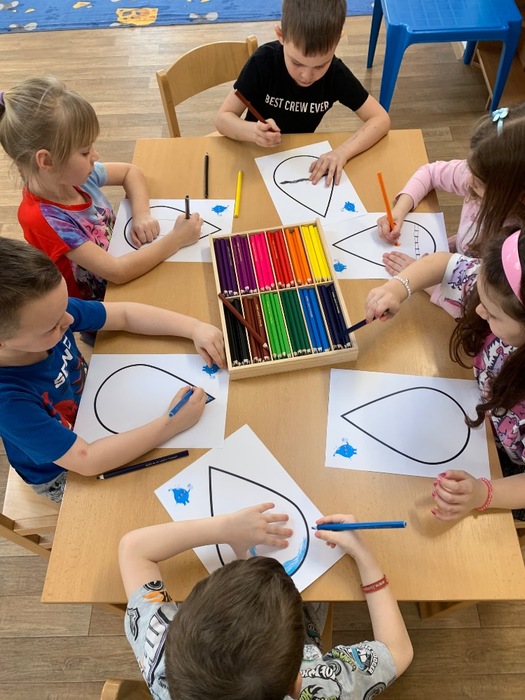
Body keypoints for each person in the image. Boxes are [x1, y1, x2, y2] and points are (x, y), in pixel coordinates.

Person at [0, 237, 225, 502]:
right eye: (53, 327)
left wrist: (194, 327)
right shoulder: (8, 402)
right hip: (64, 471)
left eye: (65, 307)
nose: (70, 320)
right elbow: (87, 461)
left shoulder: (49, 312)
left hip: (90, 410)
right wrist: (172, 423)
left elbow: (125, 314)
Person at [119, 502, 413, 700]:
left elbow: (134, 549)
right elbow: (398, 651)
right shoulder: (322, 687)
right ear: (297, 683)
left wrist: (226, 528)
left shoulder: (160, 655)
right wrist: (364, 556)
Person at [364, 228, 525, 521]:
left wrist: (483, 493)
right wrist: (397, 288)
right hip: (480, 410)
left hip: (510, 469)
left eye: (492, 314)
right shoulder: (501, 285)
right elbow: (444, 264)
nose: (479, 311)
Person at [0, 77, 203, 303]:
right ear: (47, 161)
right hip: (101, 305)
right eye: (85, 152)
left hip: (127, 265)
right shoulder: (43, 218)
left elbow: (130, 172)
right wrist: (176, 239)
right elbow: (117, 271)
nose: (95, 156)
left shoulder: (72, 176)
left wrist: (142, 214)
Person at [215, 0, 390, 187]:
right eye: (297, 63)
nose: (307, 76)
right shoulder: (263, 62)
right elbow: (223, 119)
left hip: (298, 158)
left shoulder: (336, 74)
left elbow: (381, 119)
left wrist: (342, 152)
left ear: (337, 41)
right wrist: (253, 132)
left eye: (320, 65)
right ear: (281, 36)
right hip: (253, 154)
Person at [378, 104, 525, 311]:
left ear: (515, 192)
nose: (469, 180)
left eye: (480, 182)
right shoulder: (478, 173)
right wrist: (400, 209)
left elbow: (484, 304)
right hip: (448, 264)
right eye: (470, 168)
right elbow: (430, 173)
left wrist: (422, 279)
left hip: (459, 297)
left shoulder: (516, 245)